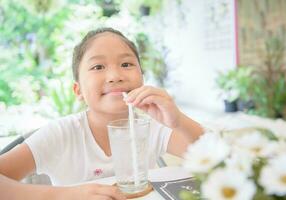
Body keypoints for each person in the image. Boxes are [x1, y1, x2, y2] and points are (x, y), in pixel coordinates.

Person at [0, 27, 204, 200]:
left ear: (142, 78)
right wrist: (65, 195)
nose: (115, 76)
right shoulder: (61, 134)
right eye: (98, 66)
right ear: (78, 90)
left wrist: (178, 121)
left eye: (126, 64)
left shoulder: (150, 126)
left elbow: (223, 159)